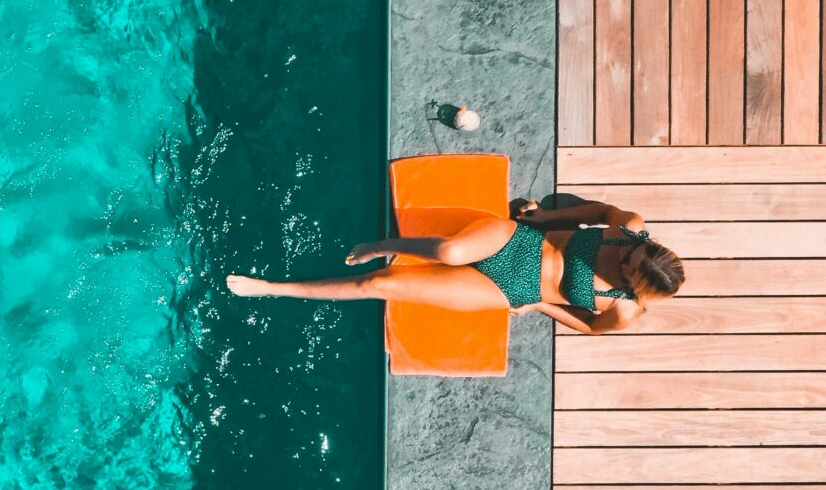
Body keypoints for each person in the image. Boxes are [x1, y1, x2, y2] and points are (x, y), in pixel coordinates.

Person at [225, 192, 684, 333]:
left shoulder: (623, 310)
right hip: (518, 242)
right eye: (636, 249)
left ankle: (270, 288)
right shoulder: (630, 228)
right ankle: (383, 241)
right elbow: (600, 214)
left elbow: (587, 328)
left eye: (630, 264)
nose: (626, 253)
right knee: (447, 251)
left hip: (512, 292)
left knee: (381, 284)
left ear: (636, 284)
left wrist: (538, 307)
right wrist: (547, 217)